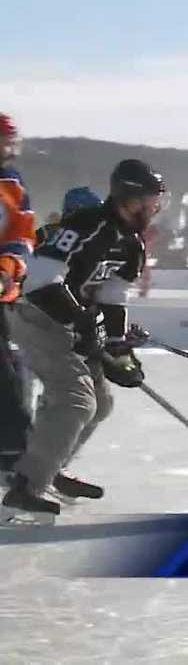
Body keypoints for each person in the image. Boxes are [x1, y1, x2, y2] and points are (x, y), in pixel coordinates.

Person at [1, 159, 165, 523]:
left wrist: (119, 347)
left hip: (73, 323)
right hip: (37, 316)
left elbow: (113, 296)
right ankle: (25, 488)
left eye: (156, 203)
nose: (152, 210)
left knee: (101, 403)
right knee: (75, 401)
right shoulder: (87, 225)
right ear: (125, 197)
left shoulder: (132, 245)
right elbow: (40, 280)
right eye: (146, 202)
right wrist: (84, 322)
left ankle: (50, 464)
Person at [0, 113, 37, 475]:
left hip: (2, 292)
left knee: (11, 368)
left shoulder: (12, 182)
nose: (8, 150)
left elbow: (22, 235)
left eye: (11, 143)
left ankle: (14, 449)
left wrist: (8, 269)